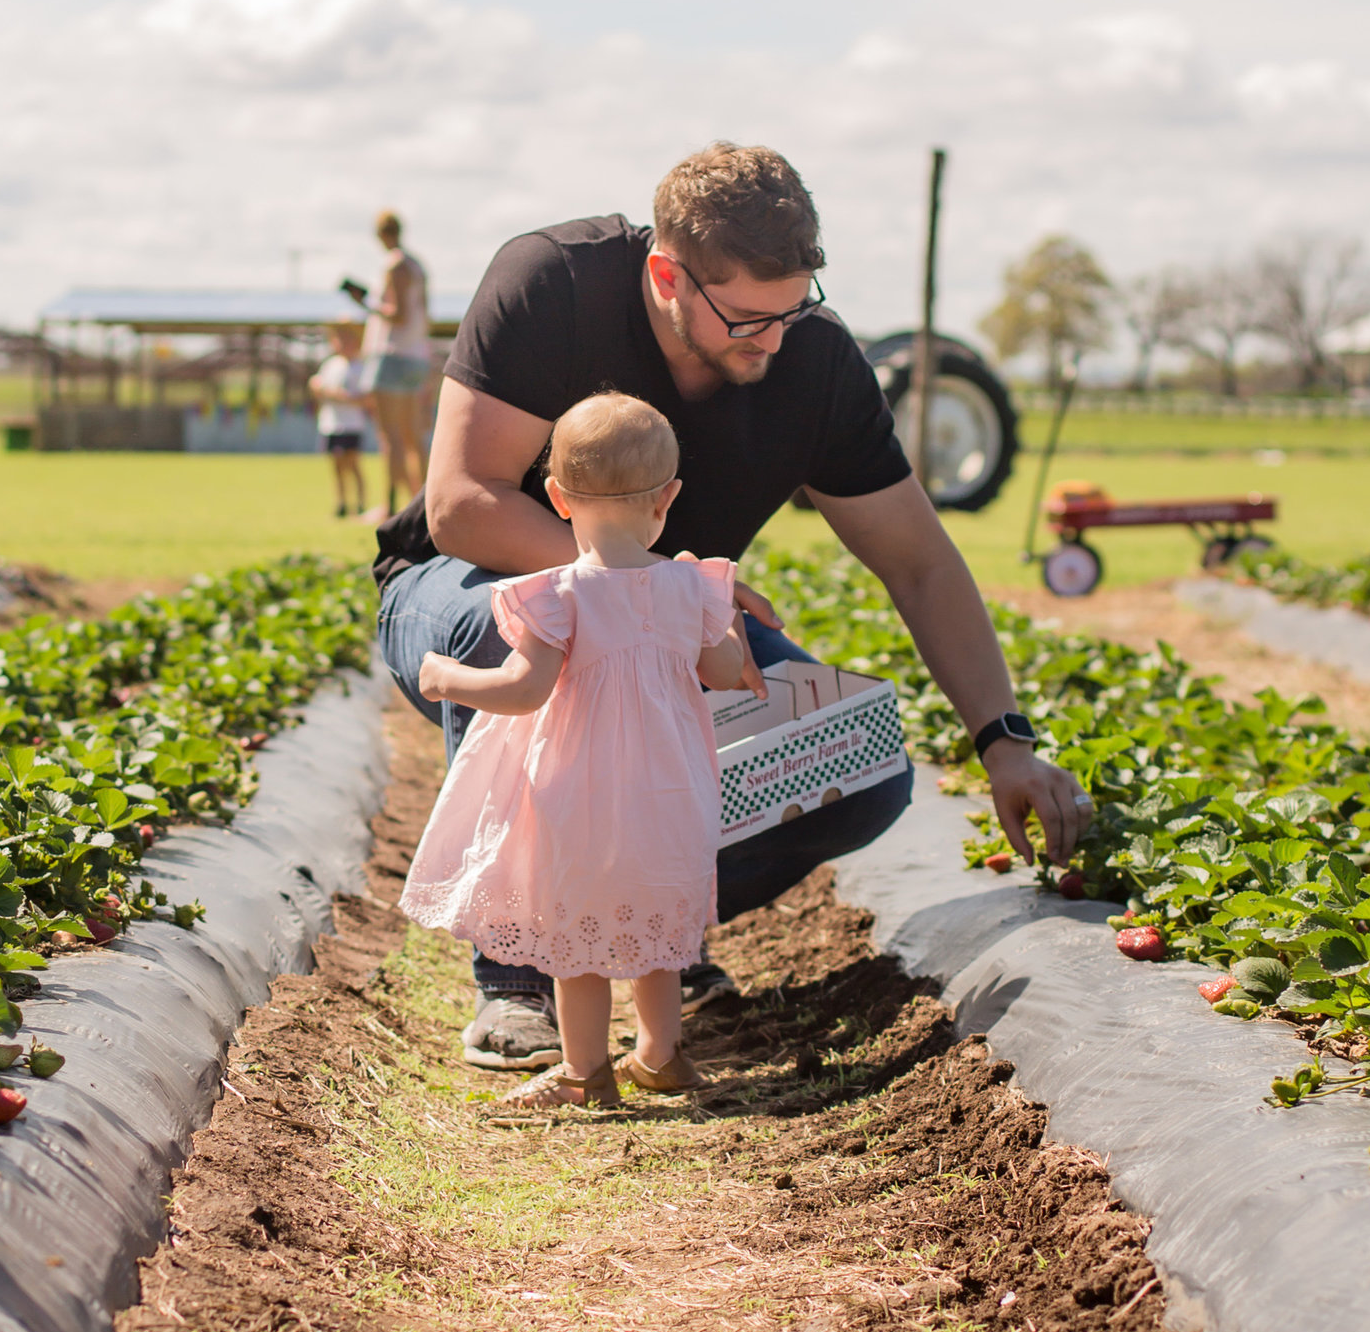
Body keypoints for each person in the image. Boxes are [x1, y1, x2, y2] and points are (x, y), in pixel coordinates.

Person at [376, 142, 1092, 1069]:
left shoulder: (814, 365)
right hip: (456, 590)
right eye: (750, 317)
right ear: (667, 275)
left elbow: (918, 562)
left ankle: (649, 933)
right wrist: (651, 587)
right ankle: (520, 973)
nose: (777, 339)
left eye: (797, 308)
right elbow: (463, 504)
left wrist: (1005, 741)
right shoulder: (551, 285)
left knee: (864, 769)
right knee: (538, 622)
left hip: (666, 618)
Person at [402, 392, 760, 1114]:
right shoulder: (690, 585)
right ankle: (660, 1055)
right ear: (670, 497)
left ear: (558, 499)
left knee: (580, 938)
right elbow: (725, 673)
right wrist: (721, 619)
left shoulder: (559, 595)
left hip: (579, 793)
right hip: (669, 793)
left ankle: (584, 1071)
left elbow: (523, 689)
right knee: (653, 927)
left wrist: (446, 677)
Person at [365, 207, 433, 510]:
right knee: (413, 436)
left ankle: (389, 506)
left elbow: (398, 314)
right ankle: (424, 505)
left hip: (393, 355)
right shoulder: (418, 266)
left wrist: (367, 303)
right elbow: (422, 314)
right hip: (416, 355)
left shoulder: (394, 266)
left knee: (390, 436)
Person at [308, 316, 377, 518]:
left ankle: (361, 502)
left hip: (352, 424)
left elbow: (366, 398)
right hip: (331, 424)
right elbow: (319, 387)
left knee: (353, 464)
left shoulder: (360, 366)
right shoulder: (331, 365)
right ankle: (341, 502)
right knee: (336, 466)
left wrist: (341, 397)